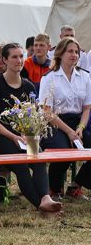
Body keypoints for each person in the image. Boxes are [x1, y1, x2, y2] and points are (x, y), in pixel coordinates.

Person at [0, 43, 61, 213]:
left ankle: (46, 198)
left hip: (22, 136)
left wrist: (31, 134)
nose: (19, 60)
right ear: (4, 60)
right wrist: (12, 136)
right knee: (21, 164)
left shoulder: (28, 86)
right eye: (14, 57)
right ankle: (41, 206)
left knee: (37, 155)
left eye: (21, 56)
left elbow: (32, 117)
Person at [38, 37, 91, 200]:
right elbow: (46, 111)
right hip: (54, 123)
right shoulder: (49, 77)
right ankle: (54, 189)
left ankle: (76, 186)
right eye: (70, 51)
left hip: (78, 123)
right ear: (60, 53)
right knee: (62, 151)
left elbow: (87, 107)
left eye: (76, 52)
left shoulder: (85, 76)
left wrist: (80, 128)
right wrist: (69, 132)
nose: (74, 55)